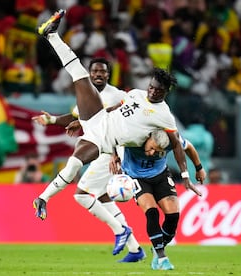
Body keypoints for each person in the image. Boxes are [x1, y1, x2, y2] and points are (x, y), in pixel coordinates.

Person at [32, 9, 201, 256]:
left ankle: (44, 199)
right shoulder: (135, 94)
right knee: (79, 76)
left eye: (157, 90)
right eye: (151, 87)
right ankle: (50, 35)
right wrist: (78, 120)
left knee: (74, 171)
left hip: (103, 142)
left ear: (165, 93)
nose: (152, 92)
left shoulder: (164, 115)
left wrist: (187, 172)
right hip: (97, 120)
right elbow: (116, 109)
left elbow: (176, 143)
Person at [34, 57, 145, 261]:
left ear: (108, 74)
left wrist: (115, 154)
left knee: (82, 195)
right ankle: (135, 249)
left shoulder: (118, 96)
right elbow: (76, 119)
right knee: (102, 197)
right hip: (101, 151)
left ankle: (120, 231)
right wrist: (51, 120)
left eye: (102, 72)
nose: (98, 75)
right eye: (94, 71)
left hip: (114, 152)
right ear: (90, 73)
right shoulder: (86, 96)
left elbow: (124, 124)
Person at [109, 130, 206, 270]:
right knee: (152, 212)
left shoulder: (172, 139)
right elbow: (113, 134)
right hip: (137, 177)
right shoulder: (134, 135)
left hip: (161, 175)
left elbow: (189, 147)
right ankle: (162, 257)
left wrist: (199, 168)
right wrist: (114, 155)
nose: (152, 153)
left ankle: (157, 249)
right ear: (148, 138)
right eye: (151, 148)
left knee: (173, 216)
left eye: (158, 151)